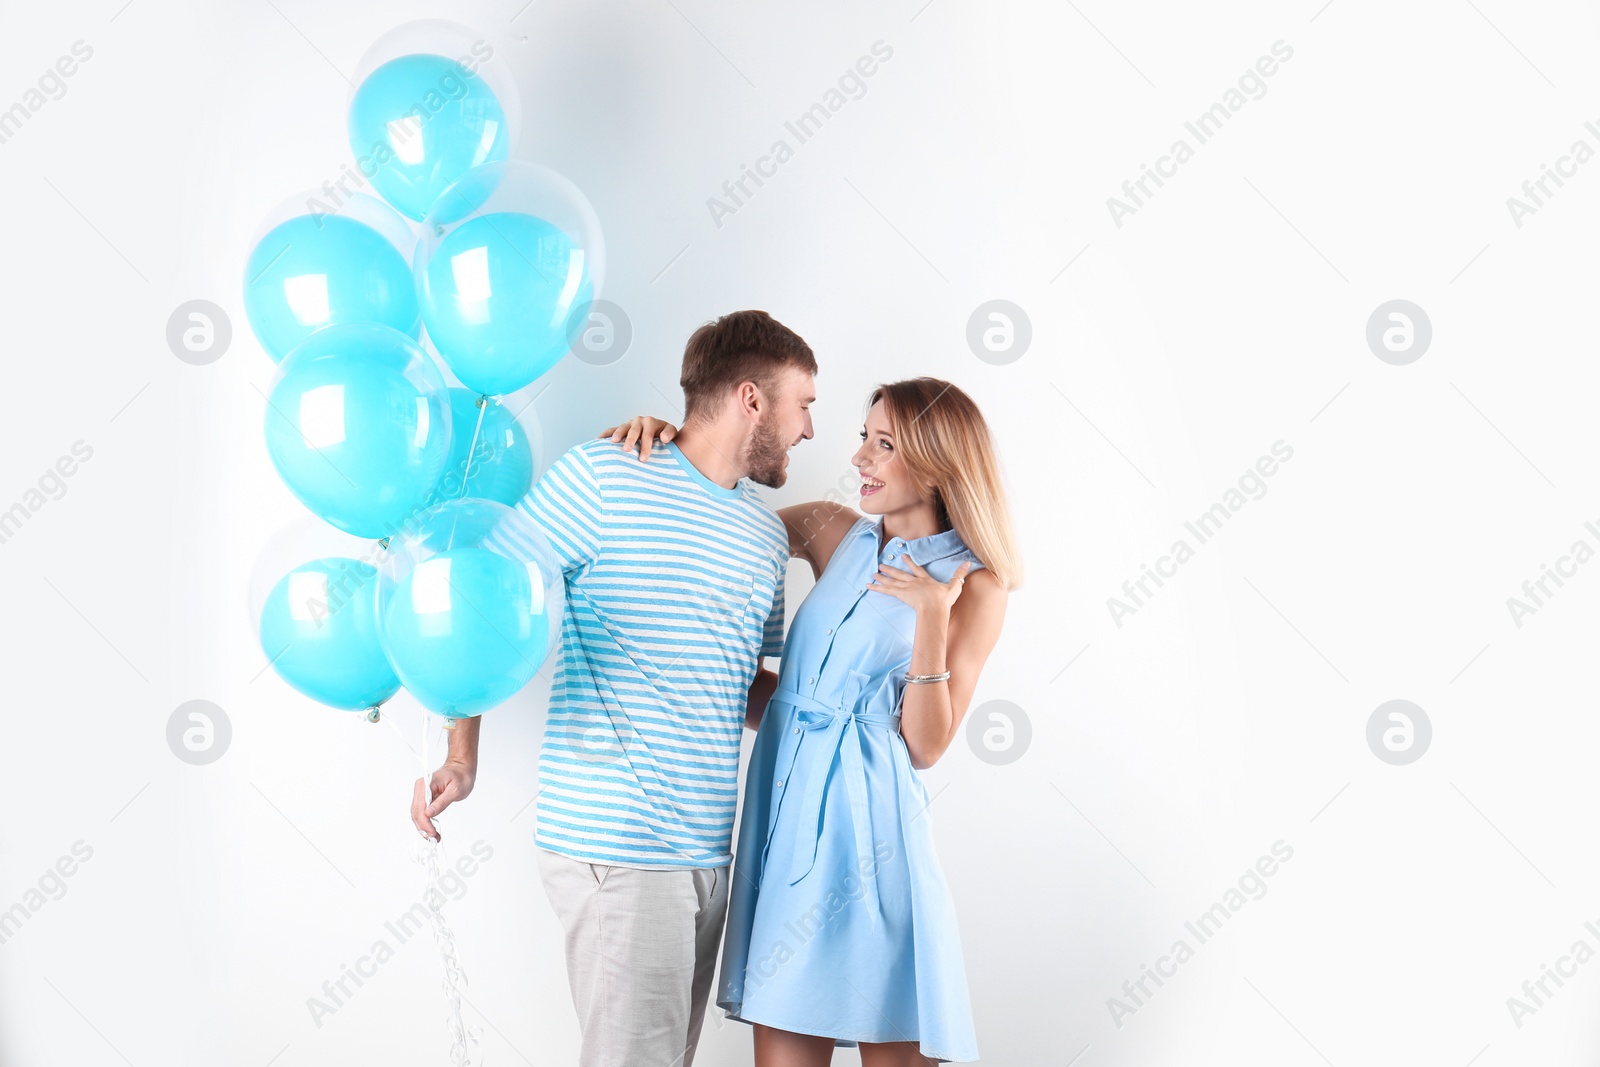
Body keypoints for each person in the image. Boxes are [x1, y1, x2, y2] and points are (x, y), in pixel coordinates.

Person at [410, 309, 817, 1067]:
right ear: (752, 398)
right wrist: (463, 757)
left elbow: (742, 686)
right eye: (805, 404)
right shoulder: (604, 475)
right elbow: (479, 604)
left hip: (706, 853)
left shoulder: (764, 539)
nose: (811, 431)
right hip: (619, 845)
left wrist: (847, 721)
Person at [607, 377, 1020, 1065]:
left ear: (939, 463)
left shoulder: (975, 584)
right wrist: (677, 444)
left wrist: (930, 615)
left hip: (874, 840)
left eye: (883, 444)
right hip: (785, 823)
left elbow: (924, 744)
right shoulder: (834, 530)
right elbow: (718, 514)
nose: (860, 457)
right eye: (865, 437)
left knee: (894, 1033)